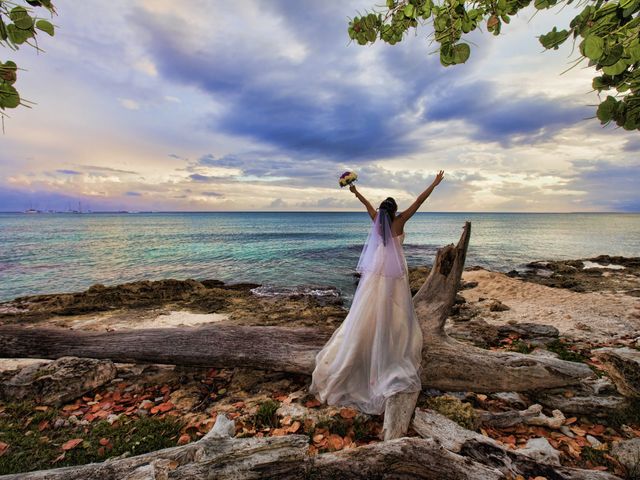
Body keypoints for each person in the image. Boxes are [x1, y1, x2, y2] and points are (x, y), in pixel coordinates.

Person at [308, 170, 445, 415]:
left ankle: (365, 346)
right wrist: (434, 184)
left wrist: (355, 191)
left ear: (381, 212)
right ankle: (386, 348)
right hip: (394, 278)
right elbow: (419, 201)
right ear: (393, 211)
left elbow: (367, 205)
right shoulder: (399, 221)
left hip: (374, 276)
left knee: (367, 311)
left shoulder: (376, 221)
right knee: (393, 311)